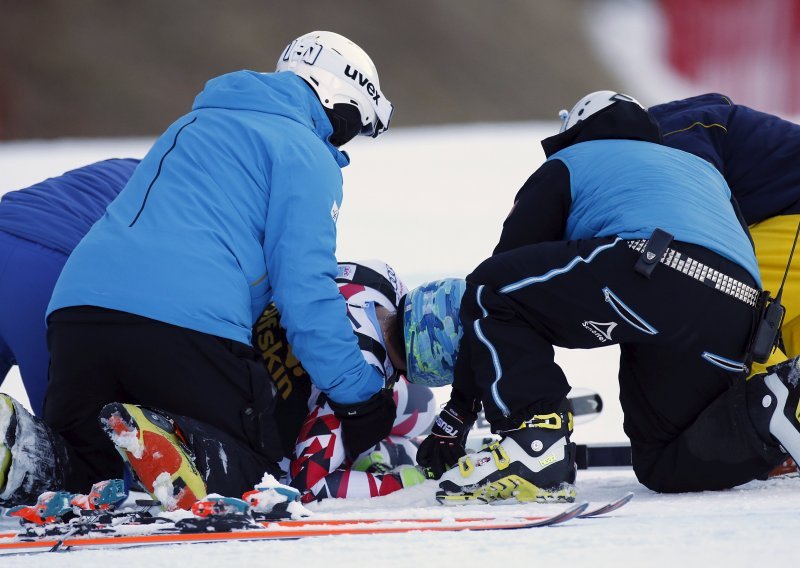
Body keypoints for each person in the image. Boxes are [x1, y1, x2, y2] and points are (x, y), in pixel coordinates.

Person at [0, 31, 396, 510]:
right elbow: (306, 293)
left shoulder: (192, 124)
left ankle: (19, 449)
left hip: (75, 315)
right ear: (340, 100)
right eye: (356, 125)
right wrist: (360, 399)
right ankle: (182, 446)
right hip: (182, 323)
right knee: (260, 466)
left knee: (86, 468)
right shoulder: (304, 153)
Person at [416, 91, 800, 503]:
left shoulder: (571, 161)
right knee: (663, 461)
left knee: (493, 286)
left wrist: (459, 411)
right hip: (736, 302)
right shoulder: (698, 170)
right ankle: (767, 407)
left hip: (653, 268)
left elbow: (497, 283)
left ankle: (535, 447)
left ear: (575, 133)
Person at [254, 260, 441, 502]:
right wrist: (412, 483)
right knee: (417, 408)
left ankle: (371, 452)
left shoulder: (379, 276)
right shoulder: (359, 379)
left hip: (251, 339)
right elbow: (306, 486)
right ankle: (367, 454)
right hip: (275, 426)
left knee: (421, 404)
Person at [649, 94, 800, 358]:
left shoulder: (671, 137)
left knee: (722, 307)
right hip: (786, 220)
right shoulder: (687, 124)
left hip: (792, 221)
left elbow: (698, 218)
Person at [0, 159, 140, 415]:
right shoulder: (182, 195)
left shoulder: (128, 166)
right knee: (74, 431)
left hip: (8, 236)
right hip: (47, 273)